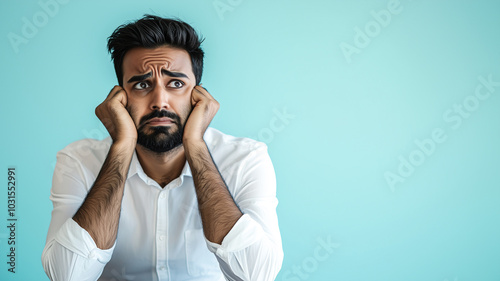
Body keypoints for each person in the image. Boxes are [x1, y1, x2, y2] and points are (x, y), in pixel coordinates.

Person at [41, 14, 283, 281]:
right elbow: (67, 275)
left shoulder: (245, 159)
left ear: (198, 96)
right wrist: (122, 147)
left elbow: (257, 275)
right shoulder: (78, 161)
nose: (159, 101)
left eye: (176, 83)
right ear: (120, 97)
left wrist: (195, 145)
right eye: (142, 84)